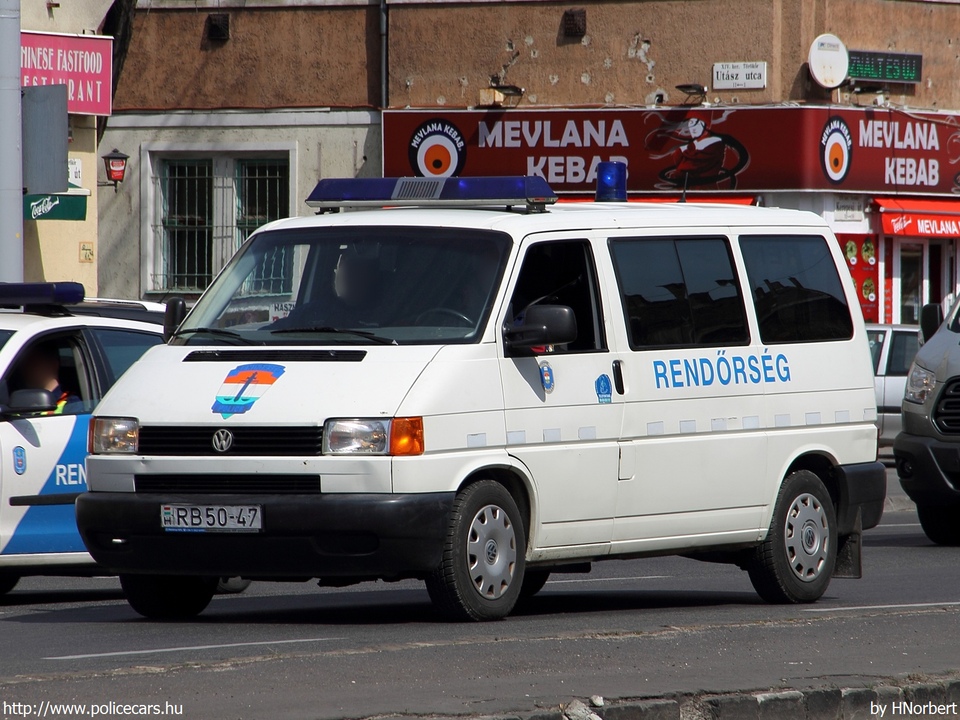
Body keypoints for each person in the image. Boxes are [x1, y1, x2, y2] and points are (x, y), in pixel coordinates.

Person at [17, 342, 81, 414]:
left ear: (53, 365)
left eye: (32, 363)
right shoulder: (18, 402)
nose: (25, 370)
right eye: (23, 365)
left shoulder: (72, 405)